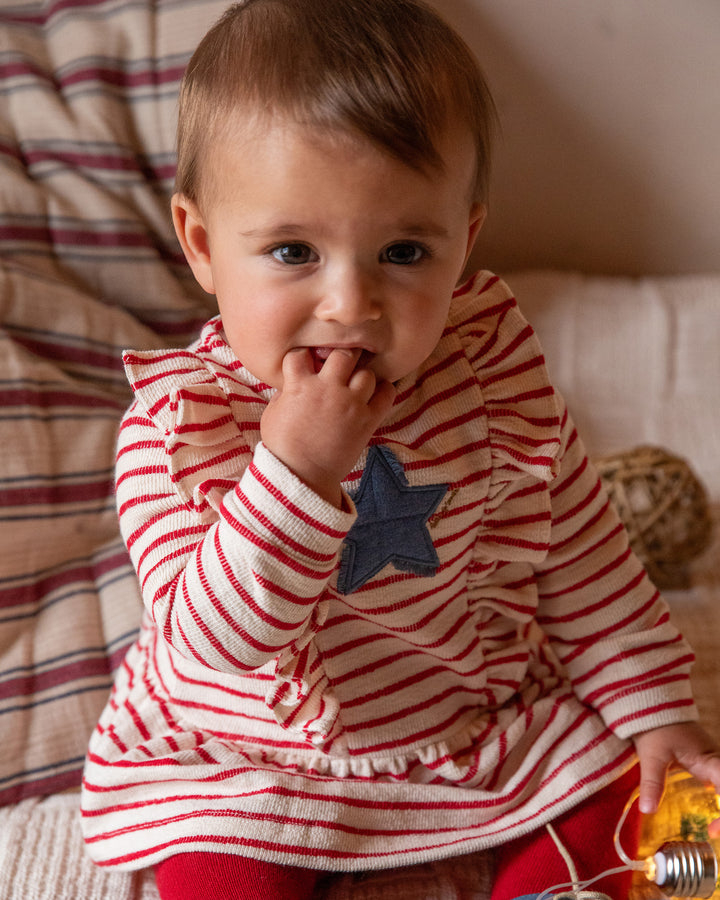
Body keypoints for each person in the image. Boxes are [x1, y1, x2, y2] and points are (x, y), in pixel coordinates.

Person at [80, 1, 720, 898]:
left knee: (680, 832)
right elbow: (203, 649)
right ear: (202, 244)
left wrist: (659, 712)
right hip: (250, 754)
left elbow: (584, 557)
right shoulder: (181, 427)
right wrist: (293, 473)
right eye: (293, 250)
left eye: (405, 250)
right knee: (212, 866)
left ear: (466, 241)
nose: (351, 303)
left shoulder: (492, 376)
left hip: (472, 718)